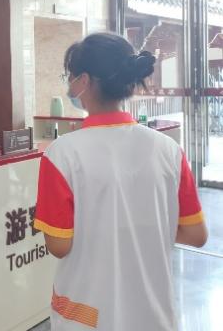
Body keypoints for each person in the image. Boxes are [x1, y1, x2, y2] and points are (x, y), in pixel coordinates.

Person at [34, 32, 208, 330]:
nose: (70, 84)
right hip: (154, 316)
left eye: (70, 76)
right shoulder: (168, 150)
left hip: (86, 316)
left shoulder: (61, 154)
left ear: (84, 81)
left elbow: (59, 244)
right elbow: (196, 234)